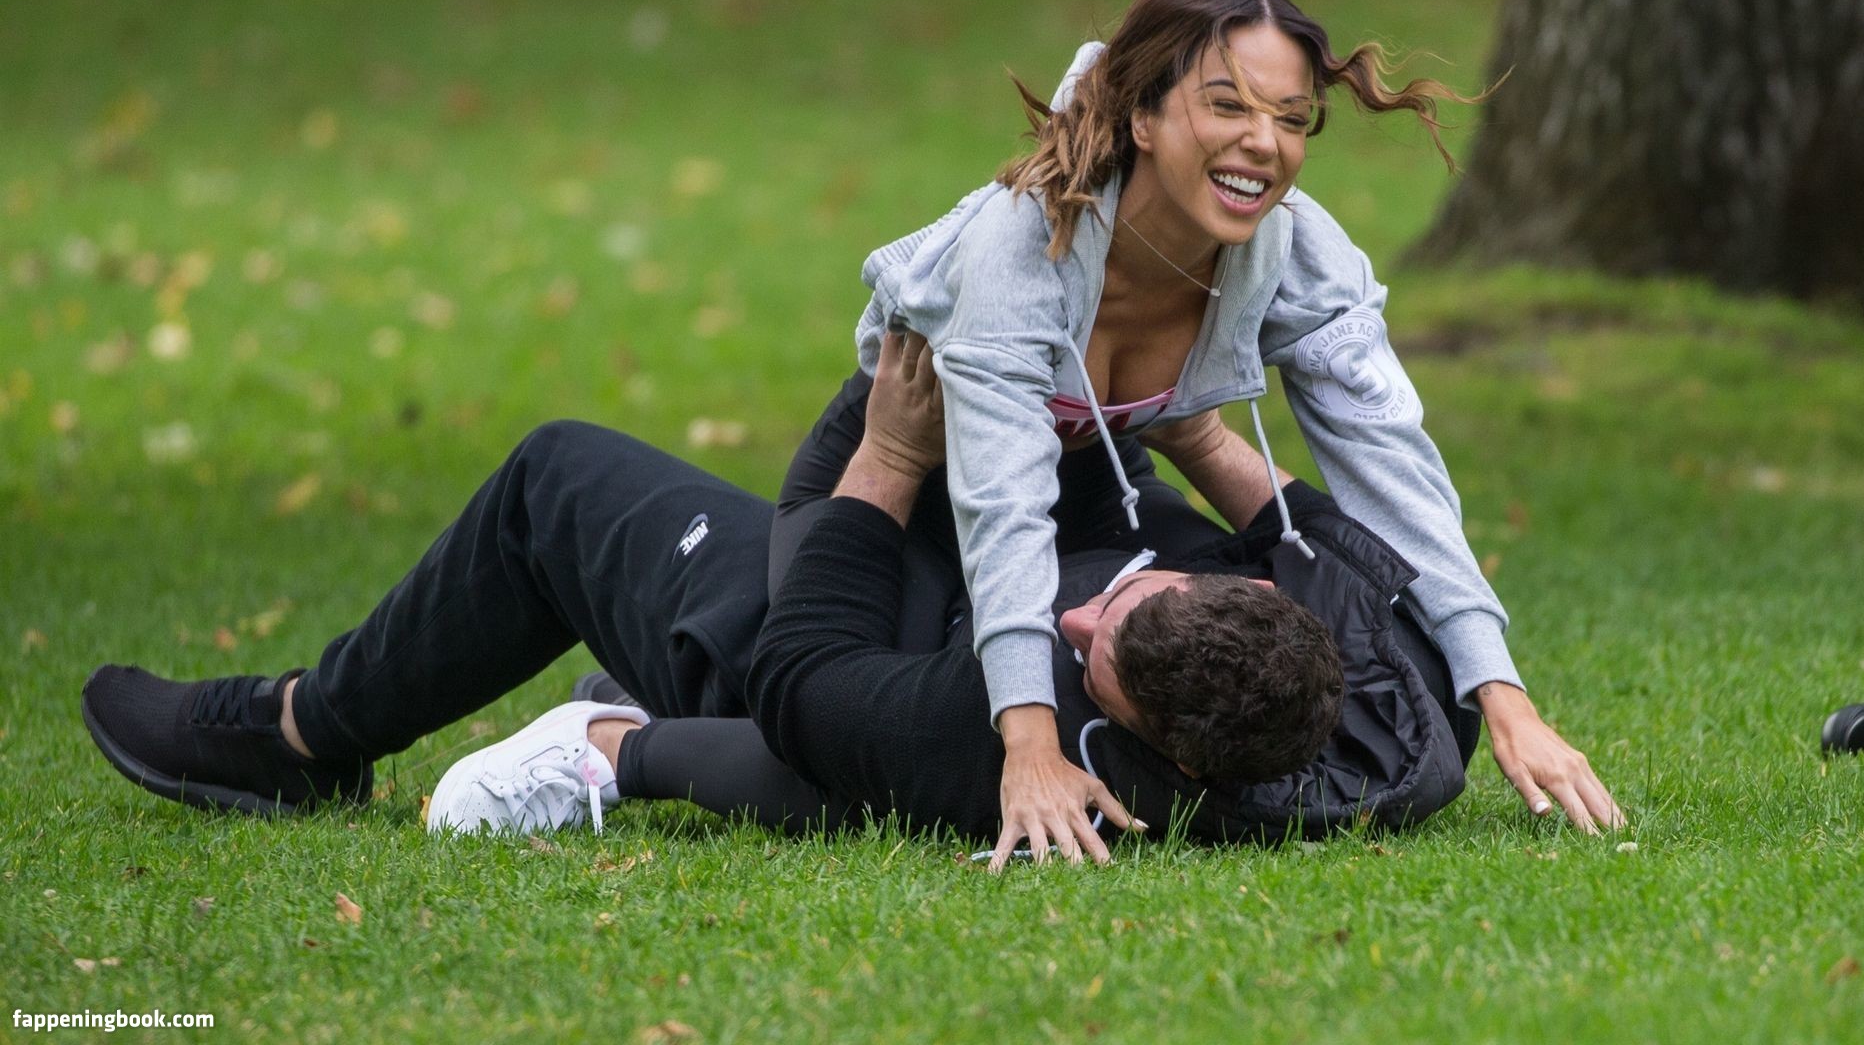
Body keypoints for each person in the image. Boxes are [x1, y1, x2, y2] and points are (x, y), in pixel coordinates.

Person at [783, 0, 1622, 866]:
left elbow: (1392, 468)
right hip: (909, 468)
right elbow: (1000, 503)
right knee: (813, 714)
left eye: (1291, 119)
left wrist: (1503, 697)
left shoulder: (1295, 249)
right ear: (1142, 117)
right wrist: (1029, 748)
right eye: (1228, 106)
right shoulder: (1023, 245)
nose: (1264, 143)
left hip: (1100, 486)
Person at [80, 333, 1372, 863]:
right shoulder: (1386, 715)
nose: (1071, 623)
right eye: (1123, 605)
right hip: (981, 544)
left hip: (835, 631)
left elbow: (804, 682)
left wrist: (891, 449)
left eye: (1093, 657)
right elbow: (1342, 551)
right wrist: (1194, 421)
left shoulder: (998, 745)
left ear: (1151, 741)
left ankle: (300, 733)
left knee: (557, 477)